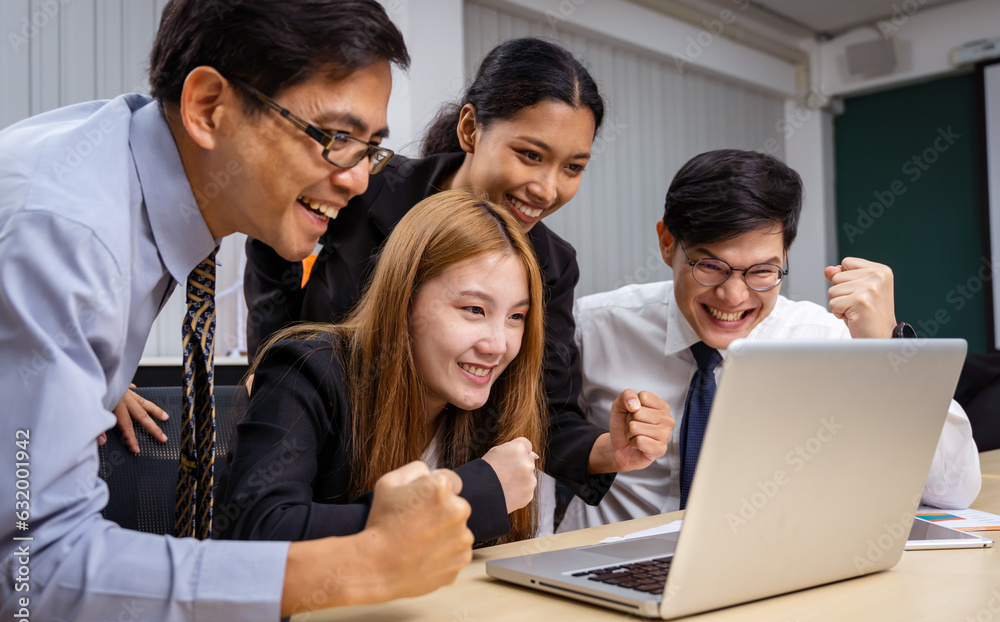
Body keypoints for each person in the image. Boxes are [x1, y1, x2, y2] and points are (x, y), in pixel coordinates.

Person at [0, 0, 475, 622]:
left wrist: (81, 383)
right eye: (335, 136)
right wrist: (357, 564)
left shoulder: (130, 170)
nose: (360, 180)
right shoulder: (72, 236)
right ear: (208, 108)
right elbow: (28, 573)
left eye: (372, 148)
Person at [243, 37, 673, 513]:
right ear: (471, 129)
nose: (547, 188)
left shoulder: (551, 264)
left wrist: (609, 449)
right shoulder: (370, 187)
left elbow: (545, 409)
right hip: (322, 447)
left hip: (445, 479)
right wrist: (271, 358)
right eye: (530, 154)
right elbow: (275, 240)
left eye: (573, 167)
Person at [559, 149, 982, 532]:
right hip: (612, 575)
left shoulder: (829, 342)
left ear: (786, 256)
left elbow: (952, 492)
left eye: (762, 271)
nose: (734, 296)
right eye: (711, 266)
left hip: (760, 578)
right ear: (668, 243)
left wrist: (890, 348)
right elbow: (542, 445)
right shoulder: (593, 328)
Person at [220, 190, 551, 545]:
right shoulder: (308, 372)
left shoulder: (496, 403)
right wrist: (470, 496)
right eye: (474, 310)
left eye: (517, 316)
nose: (498, 345)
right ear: (405, 298)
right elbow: (260, 530)